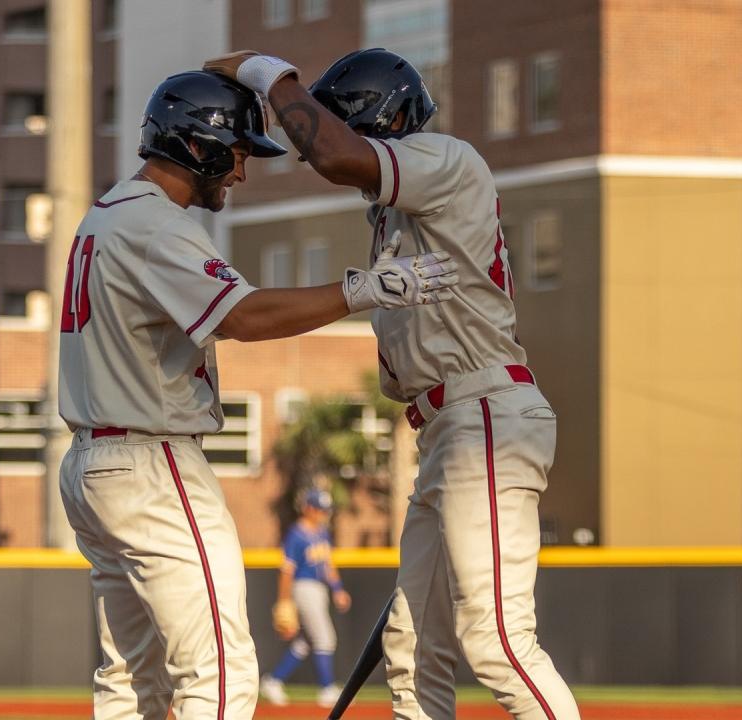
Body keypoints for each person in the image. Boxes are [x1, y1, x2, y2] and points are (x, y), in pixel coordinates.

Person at [57, 69, 460, 720]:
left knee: (131, 682)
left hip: (91, 466)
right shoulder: (156, 224)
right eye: (238, 152)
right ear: (198, 145)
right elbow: (242, 316)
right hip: (149, 462)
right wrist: (363, 290)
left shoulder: (104, 216)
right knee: (219, 671)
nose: (241, 172)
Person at [203, 49, 582, 720]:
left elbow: (335, 154)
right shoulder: (393, 215)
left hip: (485, 413)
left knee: (495, 639)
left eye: (350, 123)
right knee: (410, 650)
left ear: (386, 118)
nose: (337, 139)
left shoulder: (443, 157)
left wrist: (267, 72)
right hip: (449, 427)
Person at [260, 488, 351, 708]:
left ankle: (273, 681)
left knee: (306, 642)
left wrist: (338, 589)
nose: (323, 513)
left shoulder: (322, 533)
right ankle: (327, 688)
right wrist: (284, 600)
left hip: (319, 588)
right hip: (303, 587)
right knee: (325, 637)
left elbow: (328, 565)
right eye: (319, 509)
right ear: (308, 508)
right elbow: (287, 570)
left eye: (325, 510)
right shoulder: (296, 534)